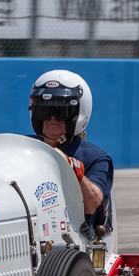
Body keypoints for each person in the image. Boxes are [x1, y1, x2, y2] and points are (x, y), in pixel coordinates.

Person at [29, 70, 114, 231]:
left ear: (78, 114)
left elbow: (92, 205)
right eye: (44, 111)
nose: (52, 118)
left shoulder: (96, 158)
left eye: (61, 111)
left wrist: (75, 171)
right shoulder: (22, 148)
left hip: (73, 239)